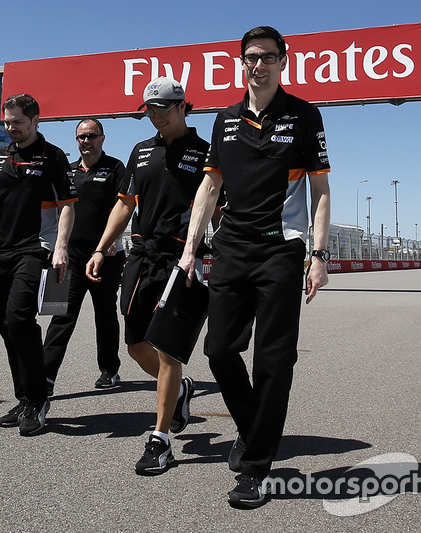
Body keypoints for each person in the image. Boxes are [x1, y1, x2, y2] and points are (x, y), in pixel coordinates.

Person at [178, 26, 332, 509]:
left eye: (267, 57)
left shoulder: (304, 116)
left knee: (273, 359)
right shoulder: (224, 120)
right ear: (240, 63)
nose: (258, 65)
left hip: (282, 251)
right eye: (250, 57)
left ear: (283, 61)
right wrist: (190, 247)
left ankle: (257, 467)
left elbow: (321, 190)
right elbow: (208, 188)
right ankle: (253, 428)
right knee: (220, 351)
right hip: (231, 249)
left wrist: (320, 255)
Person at [86, 76, 210, 475]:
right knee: (137, 346)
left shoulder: (205, 152)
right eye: (149, 110)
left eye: (162, 108)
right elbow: (124, 206)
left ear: (182, 106)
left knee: (167, 349)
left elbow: (219, 205)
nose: (155, 116)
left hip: (181, 257)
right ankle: (180, 391)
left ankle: (160, 441)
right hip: (140, 258)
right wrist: (102, 247)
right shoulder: (141, 152)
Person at [0, 94, 76, 437]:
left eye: (18, 123)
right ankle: (23, 398)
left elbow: (67, 205)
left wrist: (61, 248)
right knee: (7, 329)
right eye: (7, 123)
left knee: (18, 319)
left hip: (33, 249)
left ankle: (38, 400)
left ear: (36, 120)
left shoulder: (53, 157)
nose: (11, 128)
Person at [42, 119, 126, 395]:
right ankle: (44, 378)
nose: (86, 141)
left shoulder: (115, 168)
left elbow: (124, 208)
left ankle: (109, 370)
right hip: (69, 257)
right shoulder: (67, 172)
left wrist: (111, 242)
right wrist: (57, 248)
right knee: (60, 315)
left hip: (104, 256)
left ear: (102, 138)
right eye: (81, 137)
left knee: (105, 313)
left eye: (91, 136)